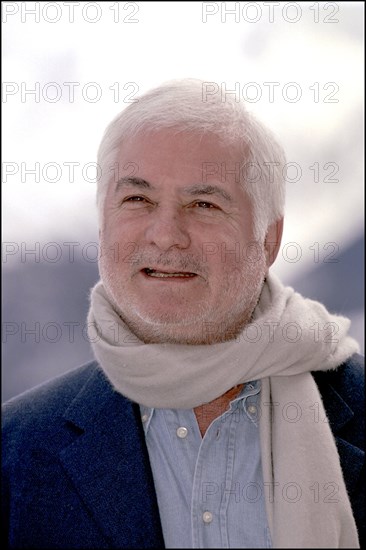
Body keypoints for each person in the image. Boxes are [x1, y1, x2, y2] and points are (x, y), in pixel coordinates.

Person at [2, 79, 364, 549]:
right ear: (102, 222)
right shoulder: (15, 453)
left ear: (269, 239)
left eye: (204, 204)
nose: (166, 234)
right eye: (137, 199)